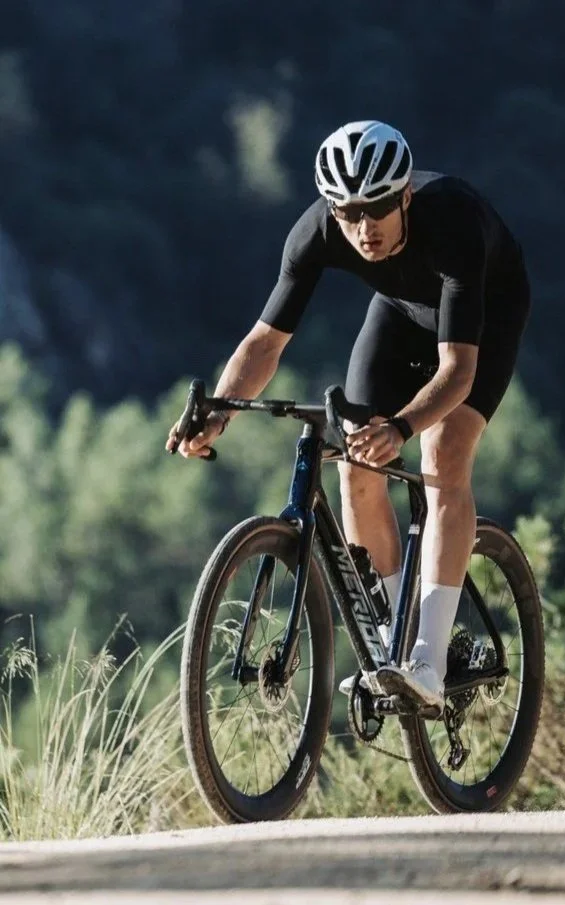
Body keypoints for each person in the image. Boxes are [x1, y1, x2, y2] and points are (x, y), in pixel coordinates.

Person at [166, 120, 531, 714]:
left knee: (443, 452)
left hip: (486, 313)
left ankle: (430, 662)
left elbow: (458, 372)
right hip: (399, 311)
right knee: (355, 463)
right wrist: (221, 413)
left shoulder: (454, 219)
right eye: (347, 213)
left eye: (377, 211)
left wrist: (404, 426)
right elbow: (264, 343)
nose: (363, 228)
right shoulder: (317, 231)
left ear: (405, 195)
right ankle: (396, 640)